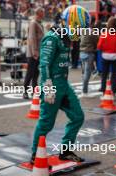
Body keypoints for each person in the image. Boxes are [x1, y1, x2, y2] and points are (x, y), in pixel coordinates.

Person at [31, 5, 89, 163]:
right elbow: (43, 64)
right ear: (72, 23)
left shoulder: (65, 36)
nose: (80, 32)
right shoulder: (52, 37)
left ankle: (66, 151)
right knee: (46, 124)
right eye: (79, 27)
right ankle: (35, 156)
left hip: (63, 84)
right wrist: (48, 87)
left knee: (78, 116)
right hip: (52, 85)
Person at [23, 7, 45, 99]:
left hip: (38, 53)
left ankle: (34, 92)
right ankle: (25, 92)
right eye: (43, 13)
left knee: (36, 73)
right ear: (39, 13)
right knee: (30, 73)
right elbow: (32, 39)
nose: (44, 14)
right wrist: (35, 52)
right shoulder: (33, 23)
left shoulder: (39, 23)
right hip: (33, 54)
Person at [97, 17, 116, 94]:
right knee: (114, 74)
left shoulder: (104, 33)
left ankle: (103, 88)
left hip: (105, 55)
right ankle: (114, 90)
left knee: (104, 73)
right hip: (115, 55)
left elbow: (99, 46)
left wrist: (104, 49)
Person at [80, 18, 99, 97]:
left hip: (82, 53)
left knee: (84, 72)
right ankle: (84, 91)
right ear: (93, 23)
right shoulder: (92, 32)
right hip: (89, 53)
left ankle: (84, 88)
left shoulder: (83, 31)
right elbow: (97, 41)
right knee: (87, 74)